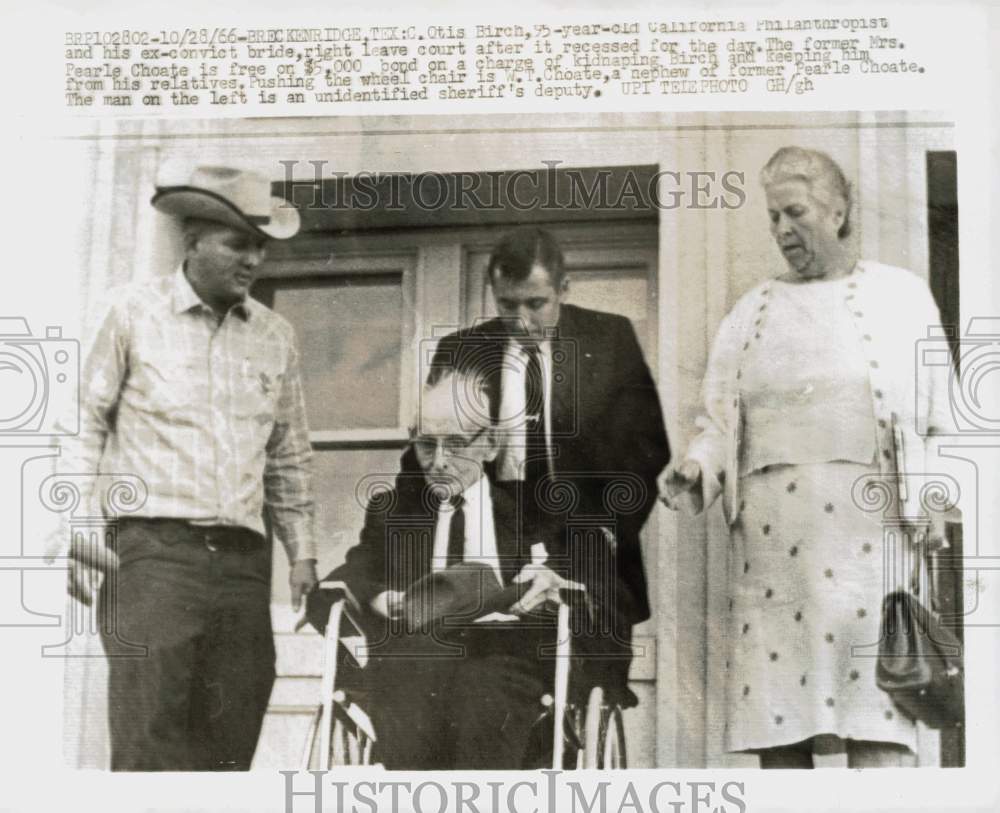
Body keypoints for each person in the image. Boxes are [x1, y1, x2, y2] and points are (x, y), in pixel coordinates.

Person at [658, 146, 955, 768]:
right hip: (774, 554)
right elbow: (718, 421)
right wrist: (695, 466)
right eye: (773, 217)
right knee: (781, 732)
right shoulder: (750, 312)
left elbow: (942, 420)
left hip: (869, 546)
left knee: (877, 719)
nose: (782, 230)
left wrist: (933, 496)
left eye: (795, 212)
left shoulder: (903, 299)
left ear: (838, 210)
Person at [61, 165, 317, 771]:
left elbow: (288, 453)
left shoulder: (276, 337)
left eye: (260, 245)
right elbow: (80, 423)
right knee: (150, 741)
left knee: (231, 743)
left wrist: (302, 551)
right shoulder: (128, 312)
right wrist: (76, 527)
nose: (253, 258)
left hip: (243, 567)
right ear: (193, 241)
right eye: (238, 242)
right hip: (152, 555)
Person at [308, 370, 603, 770]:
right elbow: (353, 574)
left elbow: (591, 559)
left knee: (483, 698)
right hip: (414, 659)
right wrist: (381, 599)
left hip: (505, 659)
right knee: (409, 681)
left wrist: (551, 575)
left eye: (457, 444)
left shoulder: (532, 509)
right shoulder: (395, 511)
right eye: (427, 445)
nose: (440, 461)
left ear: (491, 444)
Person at [426, 227, 670, 666]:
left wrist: (594, 539)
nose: (521, 320)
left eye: (536, 304)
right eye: (507, 305)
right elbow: (433, 451)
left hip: (586, 532)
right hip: (491, 538)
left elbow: (646, 451)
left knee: (582, 674)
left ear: (563, 289)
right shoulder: (460, 350)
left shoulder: (609, 339)